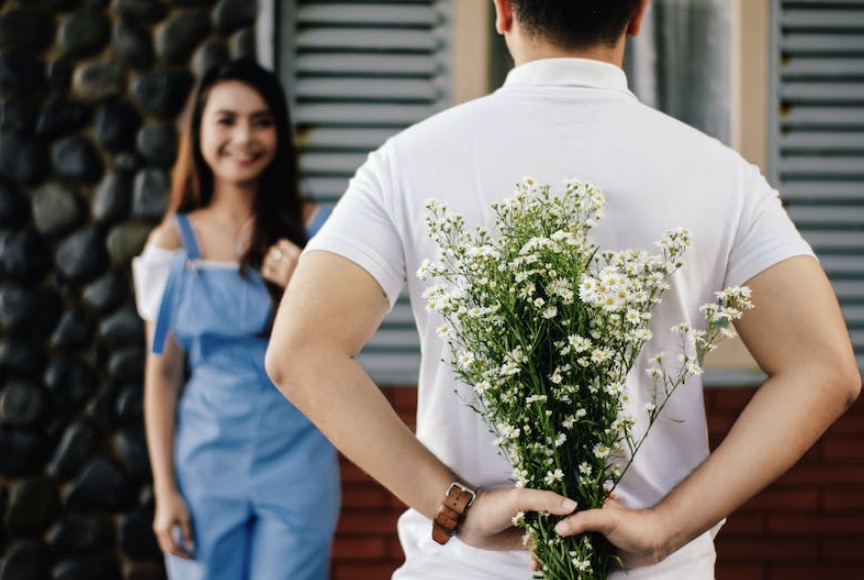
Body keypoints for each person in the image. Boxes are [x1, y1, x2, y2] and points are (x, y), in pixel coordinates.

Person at [264, 1, 861, 578]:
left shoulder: (408, 162)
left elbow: (301, 352)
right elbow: (826, 369)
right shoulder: (724, 175)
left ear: (503, 10)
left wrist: (457, 509)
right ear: (637, 14)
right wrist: (665, 528)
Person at [132, 58, 339, 580]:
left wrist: (303, 291)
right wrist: (165, 491)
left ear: (280, 133)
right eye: (226, 120)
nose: (244, 137)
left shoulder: (319, 231)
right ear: (199, 129)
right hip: (204, 466)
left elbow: (344, 353)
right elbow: (161, 371)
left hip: (299, 462)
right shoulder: (172, 244)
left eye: (262, 121)